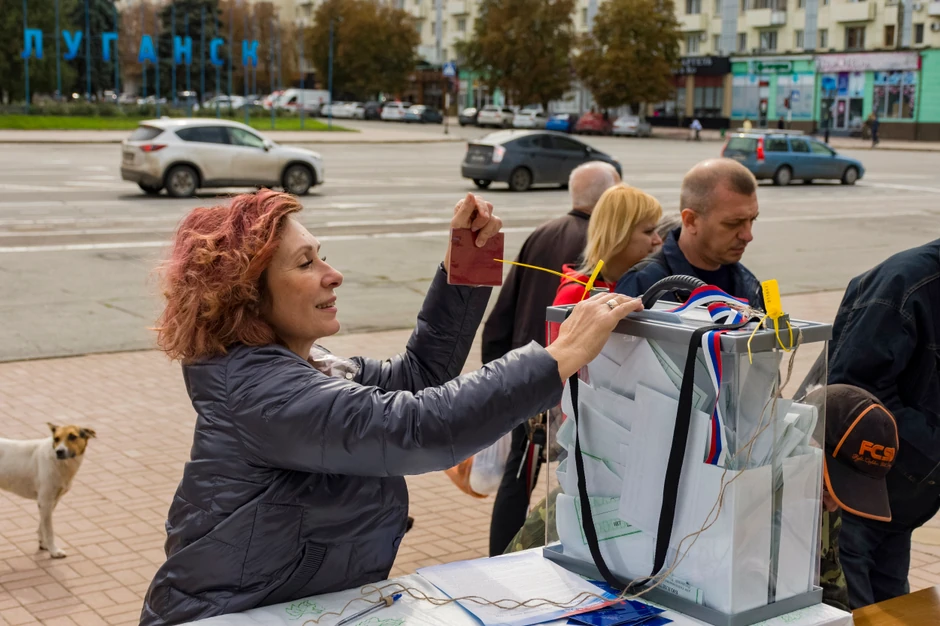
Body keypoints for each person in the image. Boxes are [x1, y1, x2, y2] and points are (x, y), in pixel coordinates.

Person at [139, 189, 643, 625]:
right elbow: (418, 427)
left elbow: (417, 378)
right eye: (306, 263)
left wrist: (465, 268)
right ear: (247, 293)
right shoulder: (260, 391)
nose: (333, 274)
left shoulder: (309, 366)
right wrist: (557, 357)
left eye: (322, 257)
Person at [505, 383, 899, 618]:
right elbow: (516, 587)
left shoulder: (812, 500)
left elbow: (831, 596)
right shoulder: (715, 484)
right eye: (830, 487)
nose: (832, 506)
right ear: (799, 445)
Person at [482, 161, 620, 557]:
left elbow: (503, 311)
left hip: (524, 372)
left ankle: (499, 557)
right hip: (562, 381)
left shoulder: (543, 233)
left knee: (519, 476)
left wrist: (497, 372)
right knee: (564, 476)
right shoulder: (601, 246)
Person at [823, 239, 940, 609]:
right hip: (856, 493)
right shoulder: (904, 284)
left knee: (893, 609)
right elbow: (854, 395)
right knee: (853, 610)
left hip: (906, 501)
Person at [615, 158, 763, 308]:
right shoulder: (644, 285)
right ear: (690, 221)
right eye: (733, 223)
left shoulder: (749, 285)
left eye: (752, 219)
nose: (747, 236)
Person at [802, 384, 900, 612]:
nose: (833, 506)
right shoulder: (750, 497)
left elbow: (832, 589)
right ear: (806, 447)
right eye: (827, 487)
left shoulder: (823, 505)